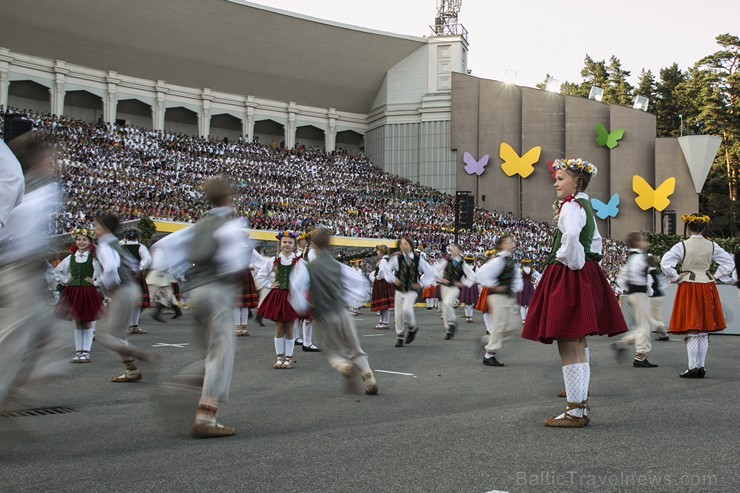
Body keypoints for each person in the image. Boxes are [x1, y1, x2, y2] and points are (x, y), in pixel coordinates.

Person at [522, 158, 627, 428]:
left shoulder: (571, 207)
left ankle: (576, 410)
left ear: (576, 181)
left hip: (569, 273)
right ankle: (577, 403)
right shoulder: (584, 205)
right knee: (577, 343)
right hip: (582, 273)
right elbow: (596, 243)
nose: (555, 183)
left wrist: (569, 261)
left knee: (568, 342)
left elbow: (570, 239)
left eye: (560, 178)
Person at [0, 133, 67, 410]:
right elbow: (24, 242)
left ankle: (15, 389)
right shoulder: (34, 192)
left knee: (54, 340)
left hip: (19, 271)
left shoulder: (29, 189)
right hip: (19, 272)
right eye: (50, 158)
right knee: (11, 344)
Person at [181, 176, 252, 438]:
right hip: (219, 290)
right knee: (221, 352)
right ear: (228, 199)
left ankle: (192, 379)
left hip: (197, 290)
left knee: (210, 351)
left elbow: (172, 252)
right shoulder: (230, 227)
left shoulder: (198, 225)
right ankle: (206, 416)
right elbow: (234, 263)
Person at [289, 229, 378, 395]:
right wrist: (352, 300)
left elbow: (296, 289)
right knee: (355, 348)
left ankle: (343, 365)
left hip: (323, 314)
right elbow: (359, 283)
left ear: (313, 244)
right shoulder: (338, 265)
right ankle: (368, 376)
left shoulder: (307, 268)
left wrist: (304, 307)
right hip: (341, 311)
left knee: (330, 350)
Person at [660, 214, 735, 378]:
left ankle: (693, 367)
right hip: (707, 285)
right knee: (703, 327)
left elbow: (665, 263)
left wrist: (675, 276)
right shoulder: (712, 245)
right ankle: (701, 366)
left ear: (687, 227)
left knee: (692, 326)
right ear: (704, 228)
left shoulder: (682, 245)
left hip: (689, 285)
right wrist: (715, 276)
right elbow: (729, 263)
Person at [93, 213, 153, 383]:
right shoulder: (116, 244)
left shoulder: (105, 245)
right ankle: (131, 369)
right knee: (117, 333)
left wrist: (103, 284)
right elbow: (134, 266)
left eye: (97, 226)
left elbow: (111, 269)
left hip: (122, 290)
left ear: (104, 229)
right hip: (131, 287)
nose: (95, 229)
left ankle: (139, 355)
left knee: (105, 335)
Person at [54, 228, 104, 363]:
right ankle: (78, 352)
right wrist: (65, 280)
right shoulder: (70, 258)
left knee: (86, 322)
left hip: (87, 292)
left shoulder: (93, 259)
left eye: (84, 239)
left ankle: (86, 352)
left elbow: (102, 275)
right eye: (79, 239)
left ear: (90, 242)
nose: (81, 242)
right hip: (74, 291)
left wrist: (95, 282)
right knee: (78, 322)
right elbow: (57, 272)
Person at [612, 232, 658, 368]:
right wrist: (643, 288)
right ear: (638, 242)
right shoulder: (639, 258)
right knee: (645, 326)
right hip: (639, 293)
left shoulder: (633, 258)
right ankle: (640, 356)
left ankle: (622, 343)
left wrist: (630, 288)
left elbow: (622, 278)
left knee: (642, 325)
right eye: (644, 240)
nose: (646, 243)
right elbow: (636, 275)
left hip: (634, 293)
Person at [256, 231, 301, 369]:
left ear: (294, 245)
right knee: (279, 326)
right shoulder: (273, 260)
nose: (287, 245)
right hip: (278, 295)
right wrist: (270, 285)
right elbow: (261, 275)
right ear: (280, 243)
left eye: (290, 242)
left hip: (292, 297)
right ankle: (279, 358)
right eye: (285, 242)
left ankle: (288, 358)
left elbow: (307, 279)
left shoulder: (299, 261)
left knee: (289, 327)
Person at [477, 235, 523, 366]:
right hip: (497, 297)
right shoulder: (498, 261)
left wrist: (514, 289)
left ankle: (488, 341)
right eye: (509, 242)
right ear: (502, 245)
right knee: (500, 325)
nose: (512, 244)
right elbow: (480, 275)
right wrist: (495, 286)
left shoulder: (511, 261)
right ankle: (489, 355)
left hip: (508, 297)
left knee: (514, 326)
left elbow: (517, 280)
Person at [382, 237, 435, 348]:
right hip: (399, 289)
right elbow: (386, 268)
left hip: (411, 289)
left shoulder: (418, 259)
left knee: (406, 308)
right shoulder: (397, 258)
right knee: (398, 314)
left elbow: (429, 271)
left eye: (405, 244)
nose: (403, 246)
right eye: (401, 244)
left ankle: (412, 327)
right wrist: (392, 278)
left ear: (411, 245)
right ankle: (400, 336)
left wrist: (421, 283)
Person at [434, 243, 476, 340]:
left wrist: (463, 283)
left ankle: (453, 321)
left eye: (455, 250)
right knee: (445, 309)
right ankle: (449, 330)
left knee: (447, 302)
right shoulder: (446, 261)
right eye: (452, 250)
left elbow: (473, 277)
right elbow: (435, 269)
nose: (452, 251)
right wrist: (441, 279)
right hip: (444, 286)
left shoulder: (463, 263)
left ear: (460, 251)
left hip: (454, 287)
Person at [120, 229, 152, 334]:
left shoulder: (121, 247)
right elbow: (147, 259)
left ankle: (130, 326)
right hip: (136, 275)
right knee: (137, 302)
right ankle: (134, 325)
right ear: (137, 237)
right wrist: (140, 268)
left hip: (123, 276)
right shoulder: (141, 247)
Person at [369, 245, 394, 330]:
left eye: (378, 251)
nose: (377, 252)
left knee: (384, 304)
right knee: (383, 305)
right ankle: (382, 321)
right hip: (384, 282)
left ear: (382, 251)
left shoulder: (383, 260)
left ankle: (385, 322)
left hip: (382, 282)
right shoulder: (385, 260)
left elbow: (382, 271)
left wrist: (378, 277)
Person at [646, 255, 670, 342]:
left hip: (653, 297)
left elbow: (649, 286)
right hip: (660, 295)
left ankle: (661, 328)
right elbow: (663, 283)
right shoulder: (656, 271)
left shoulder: (649, 274)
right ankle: (664, 335)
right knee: (658, 317)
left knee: (649, 316)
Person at [475, 249, 496, 335]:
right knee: (486, 309)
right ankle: (489, 328)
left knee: (491, 309)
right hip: (488, 288)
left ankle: (491, 328)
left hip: (493, 288)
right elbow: (478, 276)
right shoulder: (486, 266)